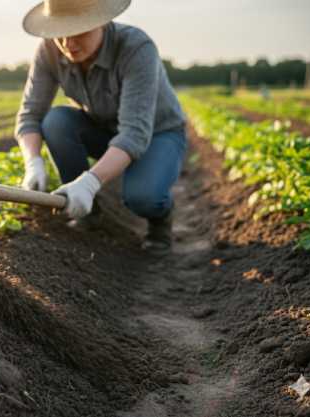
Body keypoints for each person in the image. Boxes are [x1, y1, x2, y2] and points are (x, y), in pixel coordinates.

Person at [16, 0, 187, 255]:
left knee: (143, 197)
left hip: (157, 133)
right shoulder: (50, 50)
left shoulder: (136, 48)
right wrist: (33, 162)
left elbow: (134, 134)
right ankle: (88, 211)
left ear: (102, 22)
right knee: (56, 121)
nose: (68, 44)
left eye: (79, 33)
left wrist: (91, 182)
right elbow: (30, 115)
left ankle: (160, 220)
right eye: (60, 34)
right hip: (103, 128)